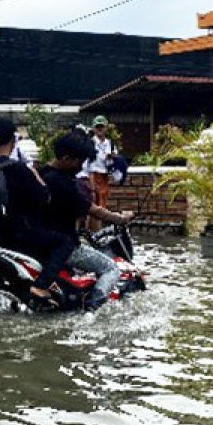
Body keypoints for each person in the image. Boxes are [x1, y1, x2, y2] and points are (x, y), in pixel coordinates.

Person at [0, 117, 75, 311]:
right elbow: (43, 198)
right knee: (65, 242)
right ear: (13, 141)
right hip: (19, 234)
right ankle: (41, 286)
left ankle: (1, 297)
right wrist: (36, 176)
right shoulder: (18, 169)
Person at [40, 133, 136, 310]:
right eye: (80, 161)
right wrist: (121, 218)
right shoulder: (64, 183)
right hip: (64, 246)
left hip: (41, 242)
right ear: (66, 159)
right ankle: (92, 306)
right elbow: (94, 210)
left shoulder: (41, 174)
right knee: (111, 269)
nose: (80, 167)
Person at [87, 116, 116, 213]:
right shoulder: (90, 143)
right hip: (92, 176)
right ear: (93, 128)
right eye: (97, 126)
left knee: (103, 202)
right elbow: (87, 164)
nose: (100, 129)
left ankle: (99, 225)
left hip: (105, 176)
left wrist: (111, 158)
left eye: (102, 126)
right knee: (93, 203)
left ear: (106, 128)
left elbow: (113, 162)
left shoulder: (110, 144)